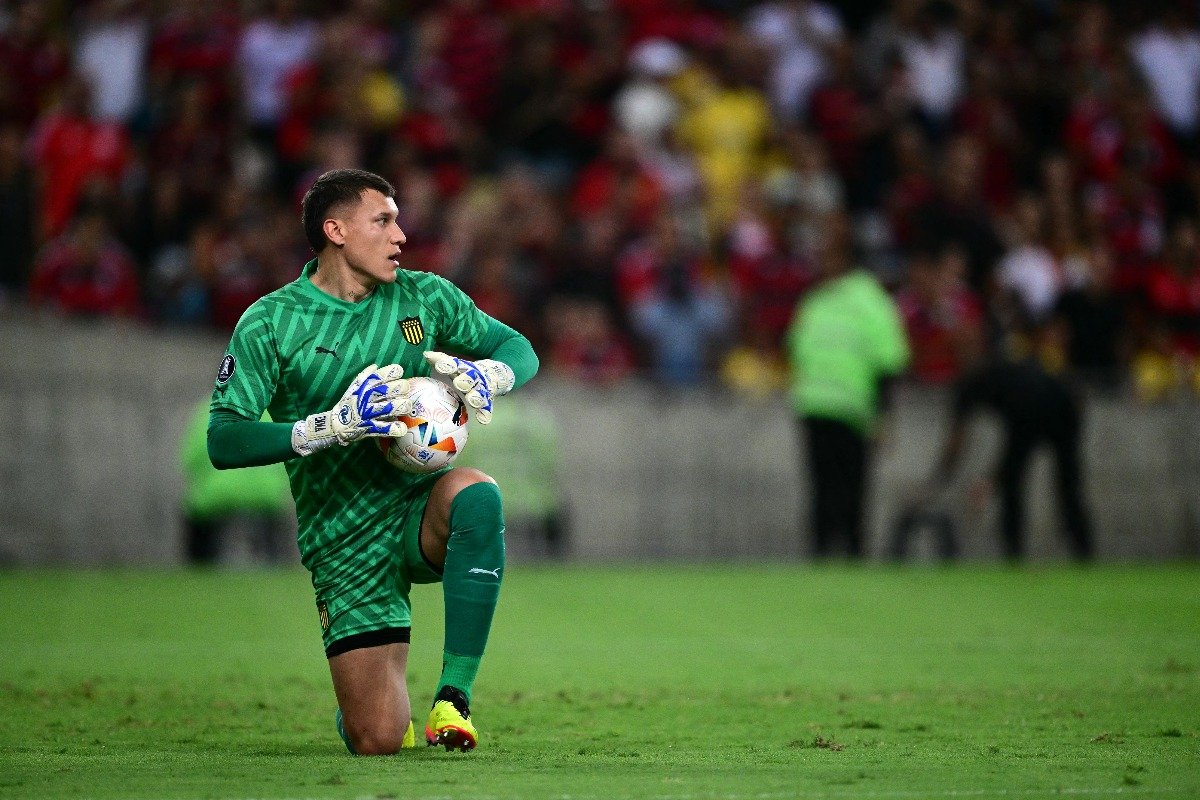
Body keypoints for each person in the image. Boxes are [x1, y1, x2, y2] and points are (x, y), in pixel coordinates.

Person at [207, 168, 539, 755]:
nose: (400, 235)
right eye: (382, 220)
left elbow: (519, 347)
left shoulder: (423, 296)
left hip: (416, 506)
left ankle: (453, 699)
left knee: (478, 495)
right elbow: (224, 441)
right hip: (341, 536)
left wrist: (493, 373)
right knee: (379, 739)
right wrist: (323, 429)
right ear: (335, 230)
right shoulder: (271, 322)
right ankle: (362, 709)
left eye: (398, 219)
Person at [784, 211, 910, 558]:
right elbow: (797, 353)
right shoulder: (815, 301)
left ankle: (853, 559)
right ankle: (822, 562)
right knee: (822, 493)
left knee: (852, 492)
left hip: (855, 412)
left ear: (844, 258)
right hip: (815, 408)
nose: (821, 261)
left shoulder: (869, 299)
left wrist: (883, 416)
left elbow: (888, 362)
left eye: (827, 254)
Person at [922, 325, 1094, 561]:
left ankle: (1032, 554)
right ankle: (1070, 553)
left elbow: (958, 442)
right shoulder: (990, 371)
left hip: (1051, 410)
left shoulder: (981, 377)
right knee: (1039, 485)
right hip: (1052, 409)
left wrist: (940, 480)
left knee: (1047, 486)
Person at [180, 400, 291, 565]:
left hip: (218, 493)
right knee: (275, 517)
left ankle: (200, 566)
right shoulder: (272, 413)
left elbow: (190, 459)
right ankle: (274, 560)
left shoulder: (206, 412)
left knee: (197, 515)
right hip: (264, 493)